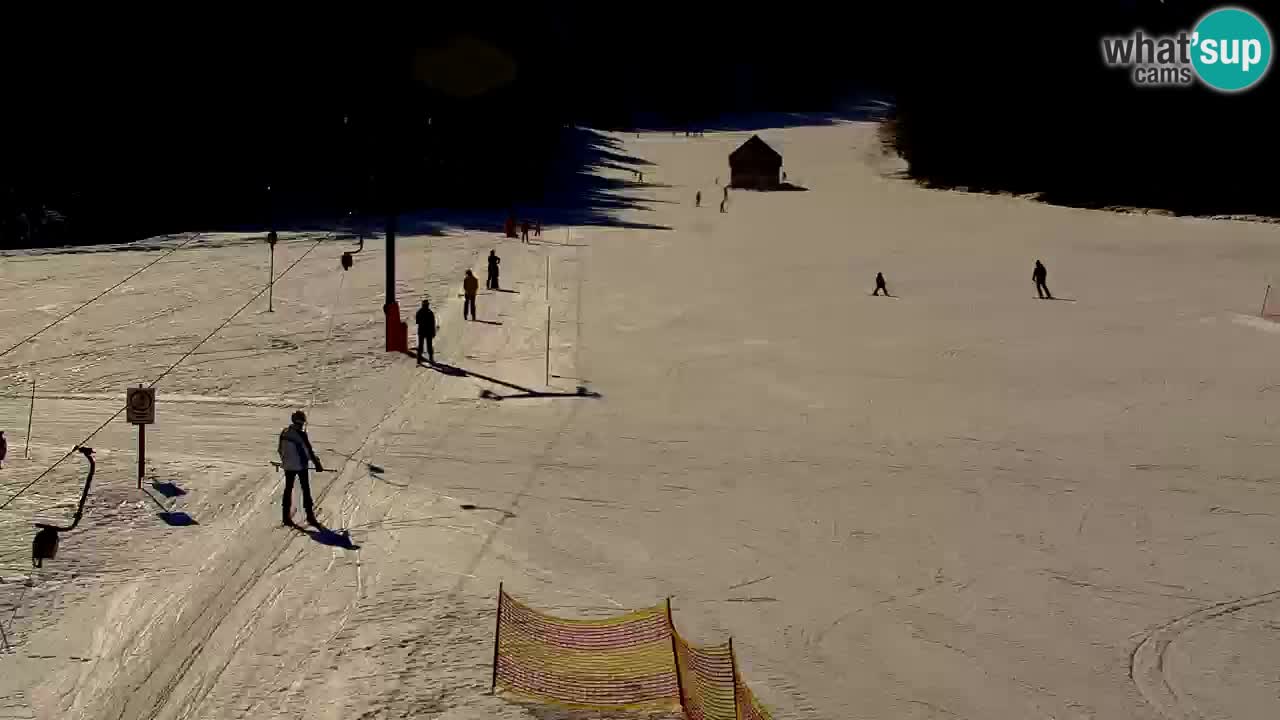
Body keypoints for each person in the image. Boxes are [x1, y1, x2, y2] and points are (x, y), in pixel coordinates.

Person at [278, 411, 323, 526]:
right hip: (301, 466)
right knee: (305, 489)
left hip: (288, 467)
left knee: (288, 489)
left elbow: (280, 450)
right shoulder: (302, 435)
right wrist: (317, 464)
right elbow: (309, 452)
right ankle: (310, 516)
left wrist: (285, 461)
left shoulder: (284, 432)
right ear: (302, 422)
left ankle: (285, 517)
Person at [416, 299, 436, 365]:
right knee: (429, 346)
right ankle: (431, 359)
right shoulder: (430, 312)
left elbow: (417, 321)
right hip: (428, 332)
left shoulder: (419, 312)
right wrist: (433, 332)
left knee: (420, 346)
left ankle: (419, 360)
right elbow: (433, 324)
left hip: (421, 331)